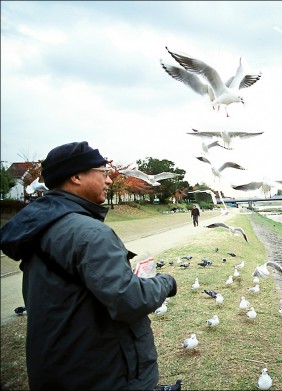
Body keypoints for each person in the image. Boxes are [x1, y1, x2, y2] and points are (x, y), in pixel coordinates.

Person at [0, 141, 178, 390]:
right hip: (101, 372)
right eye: (103, 173)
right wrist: (165, 282)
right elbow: (128, 300)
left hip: (57, 364)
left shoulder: (40, 226)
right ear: (76, 176)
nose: (109, 180)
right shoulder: (89, 233)